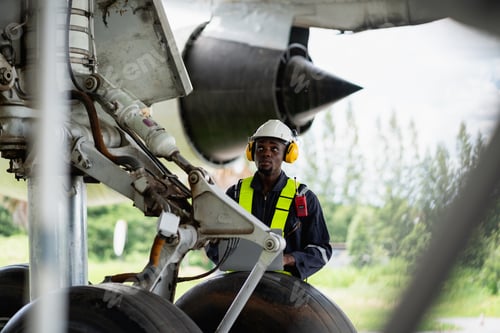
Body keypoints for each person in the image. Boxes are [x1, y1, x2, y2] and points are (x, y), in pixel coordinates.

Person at [208, 119, 332, 280]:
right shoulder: (235, 194)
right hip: (237, 285)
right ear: (252, 152)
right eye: (260, 148)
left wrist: (288, 259)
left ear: (288, 154)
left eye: (274, 148)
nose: (266, 153)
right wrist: (228, 257)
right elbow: (213, 242)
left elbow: (321, 251)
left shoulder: (303, 197)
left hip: (283, 289)